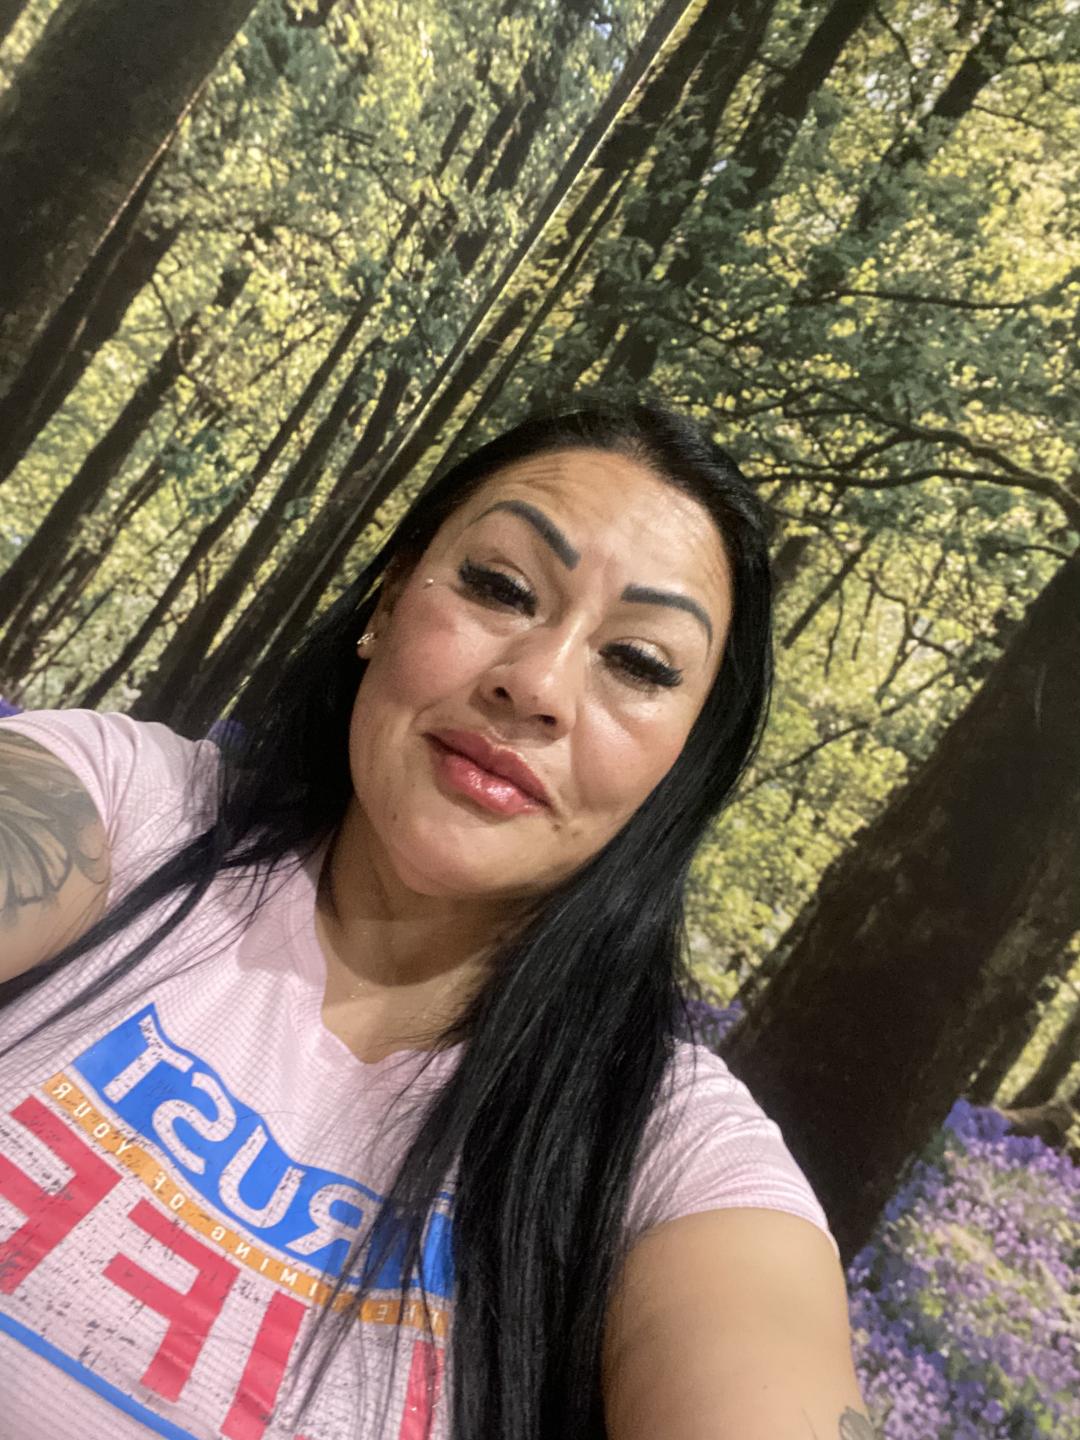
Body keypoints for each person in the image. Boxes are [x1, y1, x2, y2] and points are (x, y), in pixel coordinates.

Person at [0, 401, 872, 1439]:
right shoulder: (122, 809)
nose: (537, 684)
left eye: (639, 662)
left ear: (678, 764)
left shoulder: (669, 1154)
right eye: (501, 587)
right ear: (387, 601)